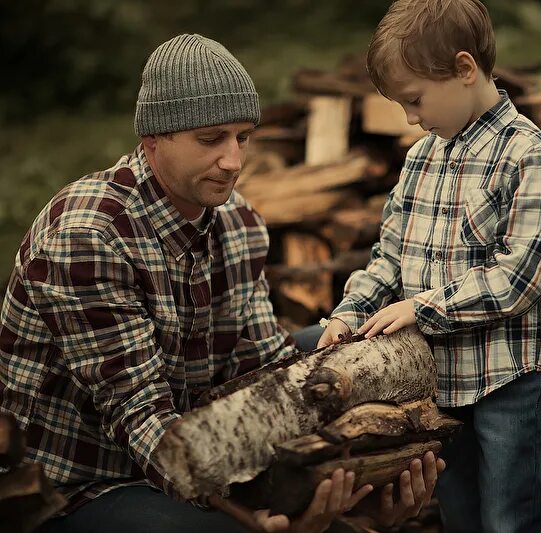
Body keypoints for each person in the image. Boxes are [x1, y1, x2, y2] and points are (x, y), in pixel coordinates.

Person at [0, 33, 441, 533]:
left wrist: (345, 471)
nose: (233, 161)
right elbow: (137, 414)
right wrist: (259, 509)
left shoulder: (240, 222)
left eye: (243, 137)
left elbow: (263, 365)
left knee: (339, 352)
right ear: (152, 140)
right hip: (83, 480)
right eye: (211, 139)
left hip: (201, 434)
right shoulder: (86, 237)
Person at [317, 1, 541, 531]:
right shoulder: (420, 160)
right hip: (442, 380)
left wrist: (423, 307)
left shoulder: (530, 158)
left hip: (511, 376)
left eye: (414, 100)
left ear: (463, 69)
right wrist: (348, 314)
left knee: (508, 515)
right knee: (459, 512)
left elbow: (518, 279)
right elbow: (389, 258)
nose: (410, 117)